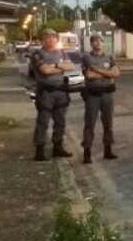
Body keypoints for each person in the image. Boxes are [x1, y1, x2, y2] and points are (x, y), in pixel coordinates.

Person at [29, 27, 74, 161]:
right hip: (45, 93)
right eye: (47, 37)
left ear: (56, 39)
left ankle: (57, 148)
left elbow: (71, 66)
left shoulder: (61, 52)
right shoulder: (37, 53)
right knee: (43, 121)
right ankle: (40, 150)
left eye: (53, 37)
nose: (50, 39)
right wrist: (60, 66)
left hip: (61, 91)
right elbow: (45, 70)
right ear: (43, 39)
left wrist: (53, 66)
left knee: (60, 122)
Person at [80, 34, 120, 164]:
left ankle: (108, 150)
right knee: (90, 124)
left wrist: (98, 70)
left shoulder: (109, 57)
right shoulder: (87, 57)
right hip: (93, 95)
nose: (98, 42)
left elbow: (116, 73)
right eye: (95, 41)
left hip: (107, 94)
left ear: (103, 43)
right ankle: (87, 152)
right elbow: (89, 75)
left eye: (100, 40)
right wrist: (106, 72)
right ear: (91, 43)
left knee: (108, 123)